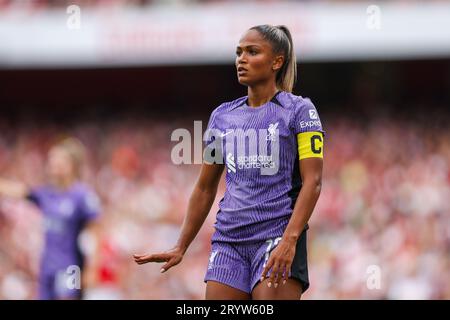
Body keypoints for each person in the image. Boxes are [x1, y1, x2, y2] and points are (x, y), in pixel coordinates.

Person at [134, 24, 324, 300]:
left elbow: (313, 181)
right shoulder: (222, 117)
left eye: (252, 51)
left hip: (276, 236)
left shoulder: (300, 111)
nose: (241, 59)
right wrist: (181, 245)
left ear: (277, 61)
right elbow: (204, 188)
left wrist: (290, 240)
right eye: (238, 52)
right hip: (228, 243)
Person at [0, 137, 101, 300]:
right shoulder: (46, 194)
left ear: (72, 164)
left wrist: (92, 268)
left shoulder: (82, 196)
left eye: (58, 159)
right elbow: (20, 191)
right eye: (51, 159)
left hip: (71, 267)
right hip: (47, 266)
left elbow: (95, 233)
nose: (53, 163)